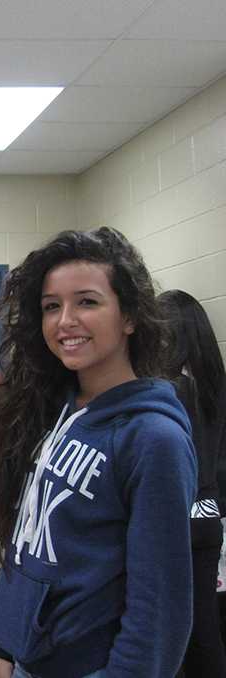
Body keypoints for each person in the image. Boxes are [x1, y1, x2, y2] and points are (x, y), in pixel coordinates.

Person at [0, 227, 197, 678]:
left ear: (130, 317)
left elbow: (158, 609)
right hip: (27, 662)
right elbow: (28, 544)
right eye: (51, 306)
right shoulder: (54, 412)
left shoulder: (153, 438)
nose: (65, 321)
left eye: (87, 301)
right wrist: (5, 651)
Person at [159, 289, 226, 677]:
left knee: (172, 628)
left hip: (176, 516)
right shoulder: (215, 385)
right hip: (209, 517)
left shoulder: (168, 390)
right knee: (205, 626)